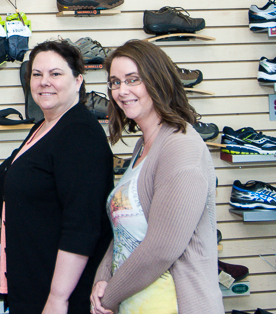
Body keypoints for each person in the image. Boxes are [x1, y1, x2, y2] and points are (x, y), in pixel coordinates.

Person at [90, 40, 223, 314]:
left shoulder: (181, 146)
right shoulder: (144, 146)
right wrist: (102, 278)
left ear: (157, 81)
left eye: (132, 80)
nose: (121, 91)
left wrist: (109, 295)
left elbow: (162, 248)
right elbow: (125, 231)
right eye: (115, 82)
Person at [0, 40, 113, 314]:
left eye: (55, 74)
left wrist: (58, 299)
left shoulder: (79, 134)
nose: (44, 82)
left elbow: (82, 227)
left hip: (62, 297)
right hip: (33, 285)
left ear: (78, 80)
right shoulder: (45, 126)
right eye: (37, 74)